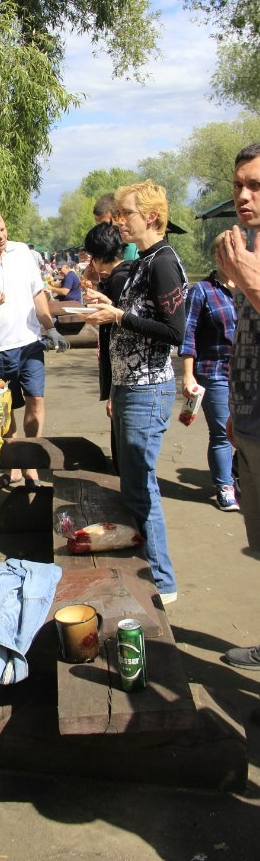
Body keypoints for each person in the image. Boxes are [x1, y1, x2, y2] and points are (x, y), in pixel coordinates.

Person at [84, 181, 187, 605]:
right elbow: (128, 318)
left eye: (127, 213)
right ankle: (138, 569)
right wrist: (103, 307)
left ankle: (162, 582)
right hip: (128, 387)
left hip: (149, 389)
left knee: (142, 486)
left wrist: (120, 315)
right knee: (129, 485)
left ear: (151, 217)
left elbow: (174, 333)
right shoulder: (142, 260)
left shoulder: (163, 262)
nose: (120, 220)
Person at [0, 205, 68, 490]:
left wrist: (50, 328)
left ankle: (30, 461)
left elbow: (37, 293)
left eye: (3, 229)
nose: (1, 237)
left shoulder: (23, 253)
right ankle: (14, 463)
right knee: (5, 409)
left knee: (36, 400)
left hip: (30, 342)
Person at [215, 144, 260, 669]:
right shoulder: (249, 243)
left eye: (255, 185)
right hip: (248, 418)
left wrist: (246, 277)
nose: (243, 196)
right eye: (238, 185)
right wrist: (233, 403)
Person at [179, 234, 239, 512]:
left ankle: (237, 475)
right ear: (217, 256)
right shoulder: (202, 291)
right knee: (222, 432)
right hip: (214, 372)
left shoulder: (250, 287)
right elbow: (188, 334)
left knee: (247, 432)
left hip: (247, 373)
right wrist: (188, 375)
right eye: (228, 252)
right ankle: (224, 486)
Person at [82, 222, 133, 470]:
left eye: (92, 255)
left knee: (123, 448)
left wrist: (113, 392)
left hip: (122, 376)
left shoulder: (119, 278)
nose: (91, 262)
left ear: (100, 255)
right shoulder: (127, 274)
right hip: (123, 377)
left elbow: (119, 339)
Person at [93, 193, 139, 260]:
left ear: (119, 217)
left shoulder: (134, 248)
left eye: (106, 225)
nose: (101, 231)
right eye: (98, 226)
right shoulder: (104, 247)